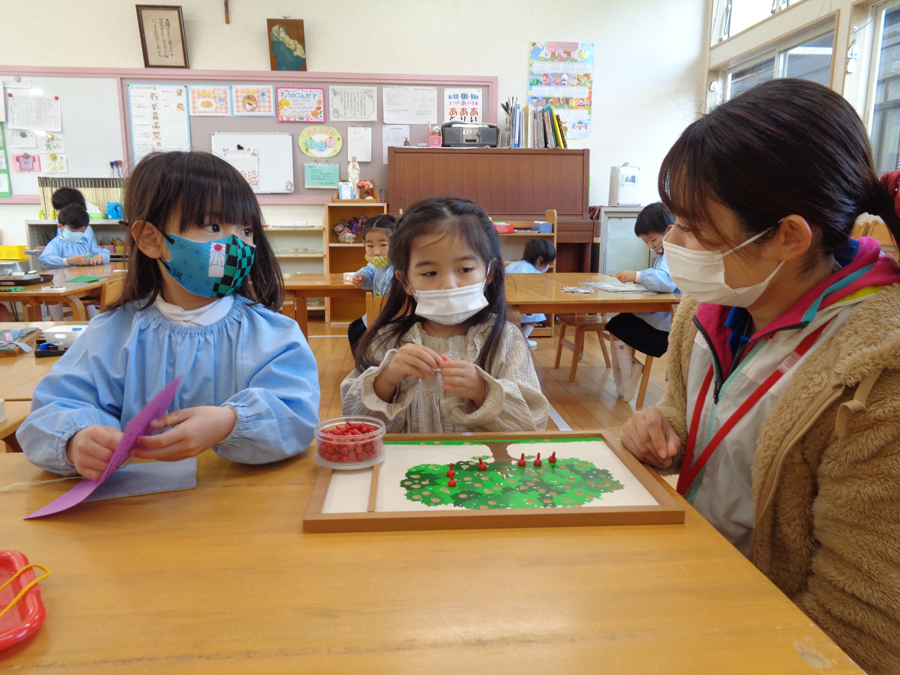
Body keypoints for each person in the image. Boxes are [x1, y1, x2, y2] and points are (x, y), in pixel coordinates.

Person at [620, 79, 900, 675]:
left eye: (695, 228)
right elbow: (699, 415)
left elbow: (862, 619)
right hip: (700, 587)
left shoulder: (877, 373)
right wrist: (662, 428)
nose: (672, 244)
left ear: (789, 237)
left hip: (770, 639)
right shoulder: (710, 309)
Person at [18, 151, 321, 480]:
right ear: (150, 239)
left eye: (246, 230)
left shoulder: (274, 334)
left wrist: (230, 422)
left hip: (239, 499)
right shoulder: (112, 334)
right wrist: (76, 440)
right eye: (213, 226)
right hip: (135, 506)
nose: (237, 245)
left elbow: (296, 414)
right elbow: (53, 408)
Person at [341, 197, 549, 433]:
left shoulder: (505, 339)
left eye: (465, 269)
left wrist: (483, 391)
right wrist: (386, 379)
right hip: (410, 458)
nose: (449, 285)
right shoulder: (389, 341)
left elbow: (532, 423)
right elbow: (356, 423)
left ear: (489, 273)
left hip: (481, 458)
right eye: (430, 273)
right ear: (405, 282)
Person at [608, 202, 679, 400]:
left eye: (653, 240)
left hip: (667, 326)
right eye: (646, 242)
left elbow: (666, 281)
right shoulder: (665, 254)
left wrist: (638, 276)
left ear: (669, 230)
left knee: (617, 326)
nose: (651, 246)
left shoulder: (673, 253)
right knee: (617, 324)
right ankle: (628, 372)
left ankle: (628, 375)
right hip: (662, 318)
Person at [347, 214, 397, 353]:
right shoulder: (378, 264)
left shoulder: (401, 265)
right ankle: (364, 362)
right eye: (370, 246)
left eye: (383, 245)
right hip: (377, 314)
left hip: (394, 317)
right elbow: (369, 270)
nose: (376, 252)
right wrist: (362, 277)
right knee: (355, 330)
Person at [505, 238, 557, 347]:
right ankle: (523, 339)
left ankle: (519, 339)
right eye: (547, 263)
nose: (547, 266)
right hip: (517, 302)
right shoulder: (528, 271)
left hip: (506, 301)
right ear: (539, 260)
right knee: (537, 314)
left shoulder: (518, 264)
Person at [39, 204, 110, 270]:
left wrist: (100, 256)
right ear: (60, 226)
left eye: (82, 231)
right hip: (64, 278)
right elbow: (45, 260)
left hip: (85, 276)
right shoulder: (56, 244)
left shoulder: (85, 242)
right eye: (73, 231)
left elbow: (103, 252)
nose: (77, 234)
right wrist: (67, 261)